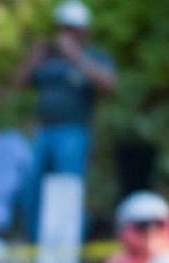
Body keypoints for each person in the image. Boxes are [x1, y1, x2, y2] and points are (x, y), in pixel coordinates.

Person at [12, 1, 116, 241]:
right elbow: (18, 84)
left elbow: (109, 84)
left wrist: (76, 57)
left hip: (73, 133)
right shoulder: (48, 58)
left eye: (72, 28)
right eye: (62, 28)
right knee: (33, 190)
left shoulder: (92, 56)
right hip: (43, 133)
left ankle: (68, 243)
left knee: (68, 189)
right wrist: (33, 59)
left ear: (83, 30)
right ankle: (35, 241)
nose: (65, 33)